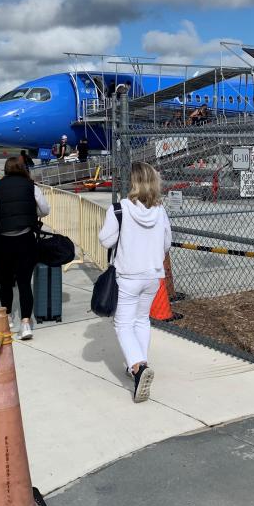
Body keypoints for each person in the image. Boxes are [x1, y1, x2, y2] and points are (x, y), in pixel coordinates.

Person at [98, 161, 172, 403]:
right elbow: (166, 244)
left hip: (128, 275)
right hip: (153, 275)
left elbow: (106, 241)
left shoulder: (119, 209)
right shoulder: (160, 211)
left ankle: (138, 368)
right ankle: (139, 363)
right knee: (141, 320)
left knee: (123, 324)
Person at [0, 156, 50, 341]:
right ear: (23, 169)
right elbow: (45, 209)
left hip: (4, 241)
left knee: (5, 282)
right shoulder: (32, 186)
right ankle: (26, 323)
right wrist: (30, 211)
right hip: (26, 240)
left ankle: (7, 318)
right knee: (24, 282)